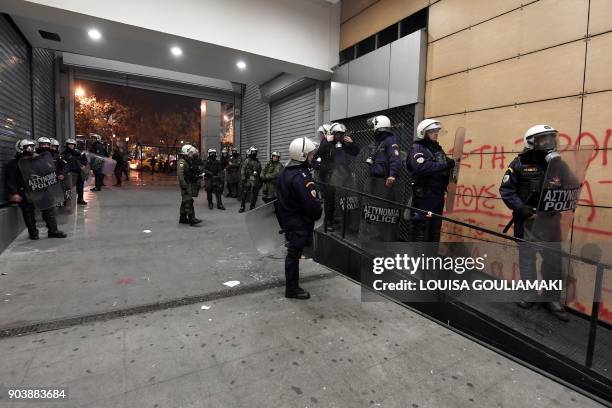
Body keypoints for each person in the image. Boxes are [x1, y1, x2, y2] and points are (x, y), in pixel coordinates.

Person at [499, 124, 569, 321]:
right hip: (529, 220)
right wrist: (521, 208)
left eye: (551, 138)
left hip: (551, 220)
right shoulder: (519, 163)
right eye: (544, 139)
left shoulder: (557, 164)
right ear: (532, 142)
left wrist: (564, 192)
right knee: (527, 259)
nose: (549, 142)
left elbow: (571, 184)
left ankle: (551, 298)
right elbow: (506, 190)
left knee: (553, 261)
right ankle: (529, 294)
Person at [277, 137, 322, 299]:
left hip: (289, 220)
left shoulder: (284, 173)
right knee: (293, 254)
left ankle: (292, 286)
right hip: (299, 222)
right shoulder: (301, 177)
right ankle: (292, 289)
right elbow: (311, 204)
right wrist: (318, 212)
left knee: (293, 253)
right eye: (310, 155)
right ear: (302, 156)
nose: (312, 157)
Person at [5, 139, 67, 239]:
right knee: (28, 212)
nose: (30, 149)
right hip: (24, 190)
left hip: (40, 188)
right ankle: (33, 233)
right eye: (27, 147)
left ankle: (53, 231)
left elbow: (47, 172)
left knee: (48, 210)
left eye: (32, 147)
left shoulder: (37, 160)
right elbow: (10, 180)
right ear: (20, 148)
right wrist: (14, 193)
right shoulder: (13, 164)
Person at [407, 119, 455, 243]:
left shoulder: (437, 149)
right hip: (423, 196)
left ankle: (430, 259)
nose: (436, 134)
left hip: (437, 195)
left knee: (435, 229)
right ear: (424, 133)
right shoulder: (417, 148)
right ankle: (416, 259)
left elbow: (442, 164)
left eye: (436, 131)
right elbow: (421, 166)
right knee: (421, 229)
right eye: (432, 131)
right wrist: (445, 165)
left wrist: (449, 164)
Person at [315, 122, 359, 231]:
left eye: (342, 134)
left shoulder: (344, 144)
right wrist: (325, 141)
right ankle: (328, 221)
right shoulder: (326, 144)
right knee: (329, 199)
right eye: (338, 134)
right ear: (332, 134)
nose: (340, 137)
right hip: (329, 177)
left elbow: (356, 152)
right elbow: (317, 155)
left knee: (343, 198)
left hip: (343, 175)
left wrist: (352, 143)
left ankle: (344, 220)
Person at [177, 144, 203, 226]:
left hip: (188, 183)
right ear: (187, 152)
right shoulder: (182, 162)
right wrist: (184, 184)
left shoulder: (187, 161)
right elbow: (180, 175)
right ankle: (192, 218)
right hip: (185, 184)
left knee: (185, 201)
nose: (192, 154)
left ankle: (183, 218)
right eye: (191, 153)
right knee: (189, 201)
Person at [61, 138, 88, 205]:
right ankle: (66, 200)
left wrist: (83, 165)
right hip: (70, 173)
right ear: (67, 145)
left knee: (80, 186)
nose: (71, 146)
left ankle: (80, 199)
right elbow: (61, 163)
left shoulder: (79, 152)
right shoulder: (63, 154)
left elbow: (84, 160)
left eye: (72, 144)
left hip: (79, 172)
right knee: (68, 187)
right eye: (69, 144)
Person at [239, 146, 262, 213]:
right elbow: (243, 169)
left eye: (255, 152)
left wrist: (260, 180)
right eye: (253, 152)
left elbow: (260, 170)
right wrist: (243, 178)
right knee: (245, 193)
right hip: (248, 179)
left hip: (255, 179)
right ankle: (242, 207)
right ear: (250, 152)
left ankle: (252, 206)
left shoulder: (258, 161)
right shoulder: (247, 160)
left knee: (255, 194)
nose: (254, 153)